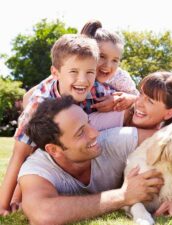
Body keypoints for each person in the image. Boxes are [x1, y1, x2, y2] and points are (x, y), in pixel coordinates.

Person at [18, 96, 163, 225]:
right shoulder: (37, 169)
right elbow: (43, 215)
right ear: (54, 150)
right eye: (81, 132)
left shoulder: (113, 140)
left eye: (88, 122)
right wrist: (123, 196)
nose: (95, 133)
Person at [0, 33, 102, 215]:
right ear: (55, 73)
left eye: (90, 72)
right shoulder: (38, 106)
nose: (83, 80)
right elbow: (19, 154)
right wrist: (3, 204)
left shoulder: (95, 89)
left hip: (69, 123)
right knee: (33, 149)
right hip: (42, 114)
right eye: (74, 72)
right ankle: (18, 196)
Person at [81, 20, 139, 112]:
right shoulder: (76, 71)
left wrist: (124, 99)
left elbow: (138, 99)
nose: (108, 65)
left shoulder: (120, 77)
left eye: (115, 60)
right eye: (102, 56)